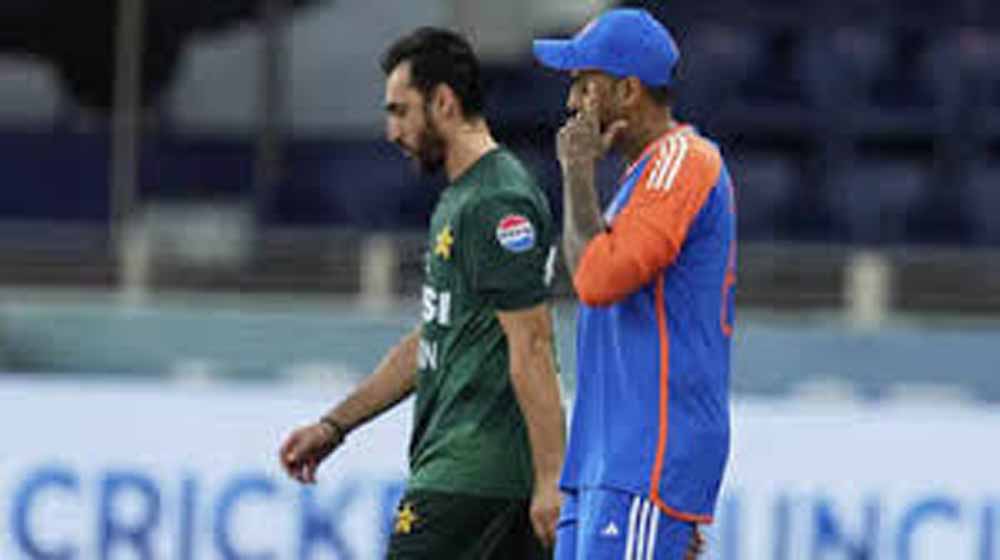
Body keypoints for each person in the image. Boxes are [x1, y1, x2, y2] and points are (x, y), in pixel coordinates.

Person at [279, 28, 566, 560]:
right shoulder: (464, 197)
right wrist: (335, 425)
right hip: (476, 478)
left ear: (444, 103)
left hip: (471, 479)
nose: (392, 131)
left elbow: (532, 345)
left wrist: (553, 478)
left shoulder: (497, 200)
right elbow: (436, 338)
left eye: (400, 111)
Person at [533, 8, 737, 560]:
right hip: (606, 458)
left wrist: (577, 173)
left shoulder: (683, 162)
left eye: (584, 85)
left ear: (627, 91)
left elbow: (597, 280)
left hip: (648, 455)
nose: (571, 103)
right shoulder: (642, 177)